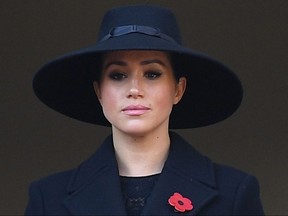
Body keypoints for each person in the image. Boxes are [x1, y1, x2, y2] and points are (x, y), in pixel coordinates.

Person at [25, 4, 264, 215]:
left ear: (178, 89)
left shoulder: (233, 193)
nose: (134, 89)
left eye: (152, 74)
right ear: (99, 91)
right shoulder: (48, 198)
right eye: (118, 75)